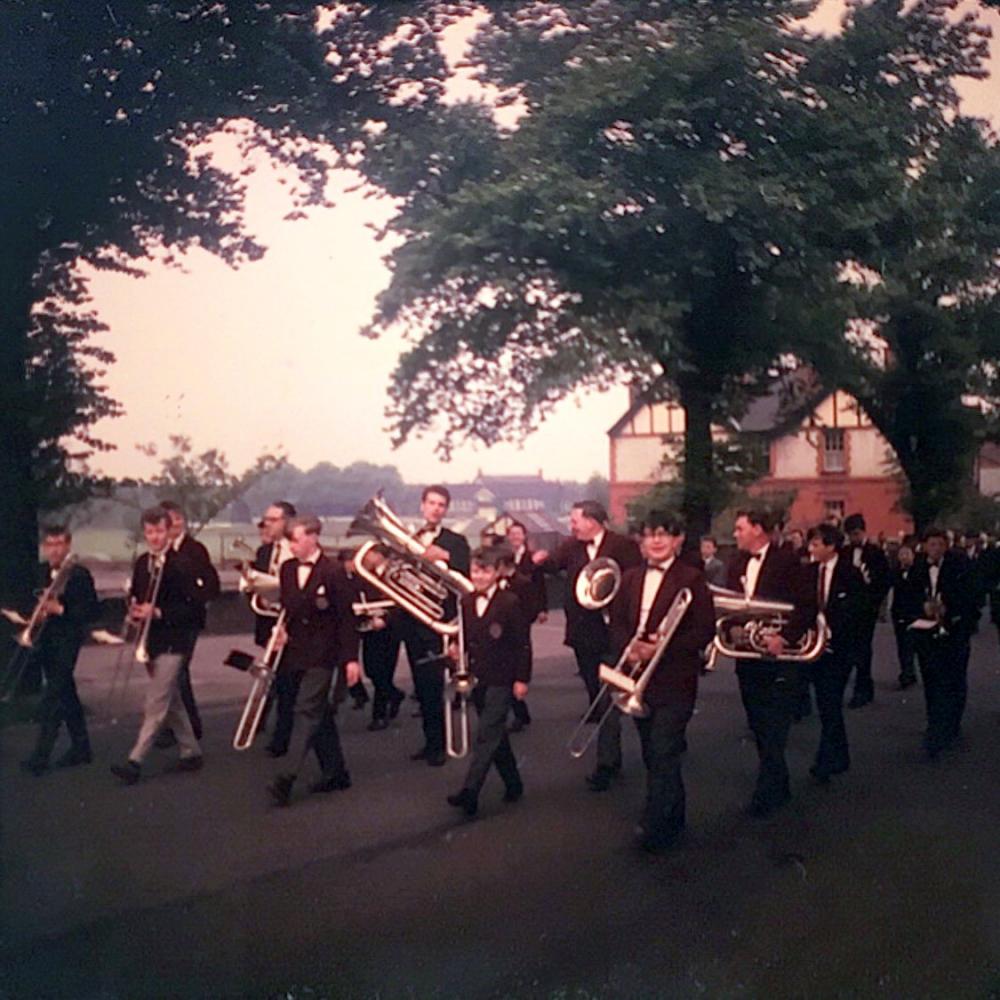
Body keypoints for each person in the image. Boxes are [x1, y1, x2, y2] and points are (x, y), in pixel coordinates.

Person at [607, 512, 715, 852]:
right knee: (654, 753)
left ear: (678, 540)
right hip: (639, 678)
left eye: (664, 535)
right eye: (650, 535)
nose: (656, 541)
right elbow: (618, 621)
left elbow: (704, 630)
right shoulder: (630, 577)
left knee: (664, 746)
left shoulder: (692, 579)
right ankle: (675, 813)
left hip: (674, 678)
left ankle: (653, 823)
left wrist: (660, 648)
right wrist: (631, 647)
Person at [533, 500, 642, 790]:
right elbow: (551, 565)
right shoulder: (571, 546)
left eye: (575, 520)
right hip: (584, 632)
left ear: (593, 521)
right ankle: (612, 750)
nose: (572, 525)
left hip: (613, 633)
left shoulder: (623, 545)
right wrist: (536, 558)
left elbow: (634, 582)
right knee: (596, 694)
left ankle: (607, 763)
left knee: (607, 698)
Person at [727, 508, 817, 817]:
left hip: (780, 660)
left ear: (758, 530)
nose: (735, 533)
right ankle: (779, 784)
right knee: (758, 724)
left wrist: (786, 637)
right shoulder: (736, 563)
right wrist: (734, 628)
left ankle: (767, 793)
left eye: (740, 528)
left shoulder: (788, 560)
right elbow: (731, 609)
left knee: (773, 726)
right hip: (749, 660)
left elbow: (807, 607)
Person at [268, 516, 362, 806]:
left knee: (306, 710)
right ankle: (336, 772)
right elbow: (288, 609)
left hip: (323, 654)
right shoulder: (286, 570)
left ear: (313, 537)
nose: (292, 546)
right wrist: (281, 630)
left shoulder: (333, 572)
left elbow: (347, 620)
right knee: (318, 712)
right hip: (295, 652)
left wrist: (350, 660)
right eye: (289, 541)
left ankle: (286, 777)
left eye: (295, 540)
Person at [111, 508, 204, 784]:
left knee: (156, 701)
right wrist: (136, 611)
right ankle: (191, 751)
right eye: (150, 532)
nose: (155, 538)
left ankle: (135, 760)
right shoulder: (142, 563)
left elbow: (194, 609)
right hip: (151, 640)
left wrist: (159, 612)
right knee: (171, 699)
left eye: (160, 531)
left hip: (175, 641)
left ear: (169, 531)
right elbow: (140, 596)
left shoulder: (181, 564)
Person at [446, 547, 530, 817]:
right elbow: (464, 634)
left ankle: (470, 792)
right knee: (495, 734)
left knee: (486, 734)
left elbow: (522, 644)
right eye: (475, 571)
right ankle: (513, 783)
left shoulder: (510, 601)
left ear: (496, 572)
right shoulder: (466, 601)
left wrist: (521, 678)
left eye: (484, 571)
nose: (479, 576)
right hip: (477, 677)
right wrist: (454, 647)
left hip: (503, 678)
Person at [19, 526, 100, 776]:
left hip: (68, 639)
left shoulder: (78, 575)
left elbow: (90, 612)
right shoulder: (40, 572)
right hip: (46, 639)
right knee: (66, 692)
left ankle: (40, 756)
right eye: (50, 544)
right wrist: (38, 614)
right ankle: (81, 747)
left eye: (59, 544)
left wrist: (60, 609)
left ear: (68, 546)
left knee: (53, 694)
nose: (54, 549)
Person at [399, 485, 471, 767]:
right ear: (422, 505)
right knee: (421, 687)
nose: (436, 508)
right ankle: (431, 742)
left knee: (435, 684)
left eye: (441, 505)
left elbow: (465, 572)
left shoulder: (455, 540)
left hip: (439, 620)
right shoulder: (408, 539)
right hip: (413, 620)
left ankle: (440, 746)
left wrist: (445, 557)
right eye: (431, 503)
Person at [803, 524, 865, 784]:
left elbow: (858, 610)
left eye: (816, 544)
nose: (811, 549)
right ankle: (838, 756)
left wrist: (832, 628)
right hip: (813, 648)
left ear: (831, 546)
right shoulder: (808, 572)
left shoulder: (850, 574)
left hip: (840, 649)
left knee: (830, 702)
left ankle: (826, 761)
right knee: (826, 704)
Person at [156, 500, 220, 745]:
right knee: (170, 674)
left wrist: (197, 601)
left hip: (187, 619)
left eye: (173, 521)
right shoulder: (161, 550)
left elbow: (210, 584)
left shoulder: (194, 550)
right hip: (166, 619)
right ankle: (178, 725)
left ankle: (189, 726)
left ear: (180, 521)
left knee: (177, 672)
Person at [910, 528, 976, 759]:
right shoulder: (918, 568)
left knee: (954, 678)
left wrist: (949, 609)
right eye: (931, 544)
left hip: (955, 632)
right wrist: (922, 608)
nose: (935, 549)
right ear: (925, 546)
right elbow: (908, 596)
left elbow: (970, 596)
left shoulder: (959, 565)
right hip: (926, 634)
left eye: (939, 544)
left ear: (946, 546)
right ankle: (935, 725)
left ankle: (951, 723)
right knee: (931, 679)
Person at [843, 513, 890, 708]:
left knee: (863, 650)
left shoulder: (875, 553)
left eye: (856, 533)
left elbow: (884, 580)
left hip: (866, 607)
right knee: (849, 650)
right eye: (850, 534)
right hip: (847, 609)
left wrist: (875, 601)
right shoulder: (843, 552)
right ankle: (863, 687)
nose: (854, 538)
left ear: (863, 532)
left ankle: (862, 690)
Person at [504, 521, 547, 732]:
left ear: (524, 535)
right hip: (505, 615)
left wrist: (541, 609)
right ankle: (519, 711)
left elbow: (539, 585)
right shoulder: (503, 556)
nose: (515, 537)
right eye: (511, 533)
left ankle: (520, 694)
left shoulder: (530, 558)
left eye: (518, 533)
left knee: (519, 653)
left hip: (522, 613)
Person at [889, 540, 923, 690]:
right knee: (902, 645)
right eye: (901, 554)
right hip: (899, 612)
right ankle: (907, 672)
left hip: (915, 612)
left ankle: (909, 673)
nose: (904, 557)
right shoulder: (895, 572)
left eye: (907, 554)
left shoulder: (919, 572)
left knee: (912, 644)